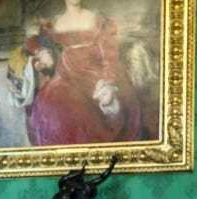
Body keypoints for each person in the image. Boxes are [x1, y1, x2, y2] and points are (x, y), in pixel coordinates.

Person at [22, 1, 144, 147]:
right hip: (64, 76)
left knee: (86, 111)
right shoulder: (53, 24)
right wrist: (41, 52)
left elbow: (109, 55)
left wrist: (108, 83)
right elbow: (31, 42)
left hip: (95, 75)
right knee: (49, 103)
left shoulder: (98, 21)